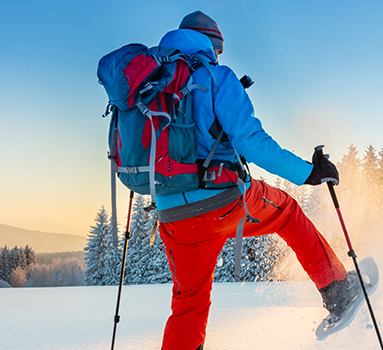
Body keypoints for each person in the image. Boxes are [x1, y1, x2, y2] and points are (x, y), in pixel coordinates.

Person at [155, 11, 362, 350]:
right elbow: (252, 143)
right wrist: (308, 172)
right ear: (212, 44)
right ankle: (339, 291)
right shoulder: (216, 77)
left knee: (188, 306)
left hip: (174, 216)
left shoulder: (152, 82)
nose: (219, 56)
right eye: (218, 50)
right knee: (288, 213)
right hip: (224, 200)